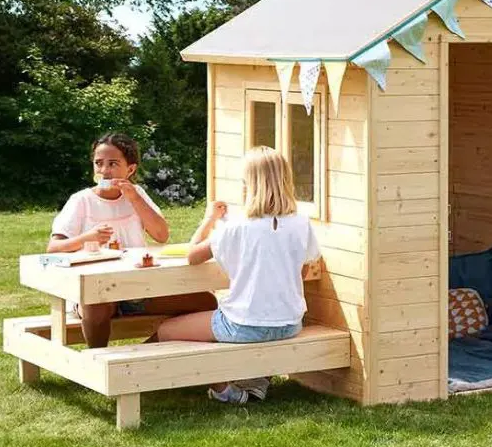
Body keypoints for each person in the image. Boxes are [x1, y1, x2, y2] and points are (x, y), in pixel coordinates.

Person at [156, 146, 320, 404]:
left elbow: (192, 255)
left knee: (166, 331)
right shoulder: (301, 222)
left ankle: (225, 390)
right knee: (234, 323)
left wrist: (209, 219)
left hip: (244, 324)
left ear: (249, 184)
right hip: (290, 323)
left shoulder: (237, 226)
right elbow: (303, 269)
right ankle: (257, 380)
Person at [48, 132, 217, 348]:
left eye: (112, 164)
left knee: (206, 301)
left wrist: (135, 198)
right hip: (96, 290)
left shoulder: (137, 194)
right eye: (98, 163)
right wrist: (87, 238)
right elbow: (53, 248)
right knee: (95, 304)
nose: (104, 170)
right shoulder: (81, 200)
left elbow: (161, 235)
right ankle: (98, 358)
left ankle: (147, 349)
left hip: (136, 287)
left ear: (130, 169)